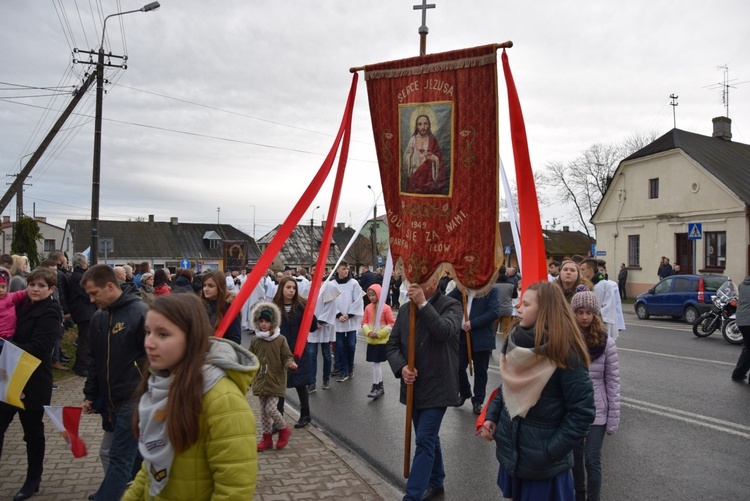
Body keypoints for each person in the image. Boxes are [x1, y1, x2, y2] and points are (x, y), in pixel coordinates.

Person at [122, 293, 258, 500]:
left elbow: (235, 489)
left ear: (191, 337)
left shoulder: (223, 400)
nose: (149, 343)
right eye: (148, 332)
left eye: (163, 334)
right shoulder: (159, 386)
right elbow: (151, 467)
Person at [477, 281, 595, 500]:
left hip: (544, 467)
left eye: (526, 304)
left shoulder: (565, 352)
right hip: (514, 454)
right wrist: (492, 416)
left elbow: (582, 412)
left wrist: (549, 452)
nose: (518, 308)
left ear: (545, 311)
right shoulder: (515, 341)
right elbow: (508, 386)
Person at [386, 278, 463, 501]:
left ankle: (412, 497)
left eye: (421, 281)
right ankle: (437, 482)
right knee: (427, 438)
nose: (414, 285)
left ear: (435, 282)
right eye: (412, 281)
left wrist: (423, 305)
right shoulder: (405, 310)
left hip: (438, 387)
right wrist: (402, 368)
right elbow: (392, 346)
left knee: (424, 441)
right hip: (414, 387)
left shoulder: (451, 306)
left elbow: (444, 331)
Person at [81, 264, 148, 501]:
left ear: (110, 286)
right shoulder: (99, 317)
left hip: (135, 397)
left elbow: (154, 358)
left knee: (117, 455)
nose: (91, 300)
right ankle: (141, 490)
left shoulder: (140, 312)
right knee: (134, 455)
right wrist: (91, 394)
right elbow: (94, 361)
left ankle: (107, 496)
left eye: (94, 293)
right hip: (111, 399)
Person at [0, 268, 62, 501]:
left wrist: (5, 346)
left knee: (32, 433)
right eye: (32, 284)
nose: (35, 289)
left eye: (41, 286)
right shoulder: (20, 303)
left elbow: (40, 347)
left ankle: (32, 480)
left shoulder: (51, 311)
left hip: (34, 380)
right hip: (8, 376)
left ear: (51, 289)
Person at [570, 289, 620, 501]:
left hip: (597, 410)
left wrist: (613, 419)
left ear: (595, 314)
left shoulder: (606, 342)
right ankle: (579, 495)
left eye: (588, 312)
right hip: (572, 409)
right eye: (579, 312)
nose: (584, 317)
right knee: (575, 458)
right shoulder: (567, 340)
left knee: (592, 459)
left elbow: (613, 381)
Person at [250, 301, 296, 451]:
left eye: (267, 321)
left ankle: (284, 430)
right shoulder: (256, 340)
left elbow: (287, 356)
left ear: (273, 322)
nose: (263, 324)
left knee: (271, 409)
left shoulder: (280, 339)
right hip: (260, 380)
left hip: (275, 380)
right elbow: (250, 357)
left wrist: (290, 364)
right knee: (263, 412)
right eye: (261, 321)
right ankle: (267, 438)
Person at [273, 276, 318, 428]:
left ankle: (306, 415)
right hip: (279, 351)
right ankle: (277, 420)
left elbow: (312, 327)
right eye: (288, 287)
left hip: (298, 350)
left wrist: (310, 313)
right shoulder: (274, 307)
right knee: (279, 386)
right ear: (281, 289)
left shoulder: (301, 306)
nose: (291, 290)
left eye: (294, 288)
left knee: (300, 383)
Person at [449, 285, 501, 415]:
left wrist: (473, 323)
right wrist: (458, 288)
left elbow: (494, 312)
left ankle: (478, 400)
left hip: (481, 337)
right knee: (458, 366)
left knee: (480, 371)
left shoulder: (490, 290)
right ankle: (465, 391)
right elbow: (447, 299)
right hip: (462, 336)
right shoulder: (462, 290)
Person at [331, 262, 364, 382]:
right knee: (339, 346)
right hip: (338, 320)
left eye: (347, 269)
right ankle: (343, 371)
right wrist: (338, 315)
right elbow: (330, 302)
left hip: (351, 320)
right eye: (343, 269)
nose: (346, 271)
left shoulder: (353, 283)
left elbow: (358, 300)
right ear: (337, 270)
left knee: (350, 345)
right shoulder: (332, 284)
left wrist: (349, 315)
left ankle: (350, 367)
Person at [362, 284, 395, 400]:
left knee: (376, 363)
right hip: (371, 340)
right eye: (369, 295)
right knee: (375, 364)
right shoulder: (367, 308)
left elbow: (391, 323)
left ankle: (376, 386)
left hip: (381, 341)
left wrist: (380, 333)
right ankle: (379, 386)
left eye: (373, 295)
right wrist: (368, 332)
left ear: (379, 295)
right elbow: (364, 322)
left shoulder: (386, 308)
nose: (371, 297)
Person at [402, 114, 448, 195]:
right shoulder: (412, 140)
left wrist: (435, 159)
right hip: (414, 176)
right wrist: (411, 155)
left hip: (428, 178)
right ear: (416, 126)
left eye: (425, 124)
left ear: (429, 125)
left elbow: (439, 157)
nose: (423, 127)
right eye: (420, 124)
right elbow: (406, 156)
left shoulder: (433, 140)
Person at [67, 253, 97, 377]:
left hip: (84, 311)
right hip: (84, 312)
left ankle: (83, 363)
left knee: (85, 338)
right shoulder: (79, 277)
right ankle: (81, 365)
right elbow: (86, 293)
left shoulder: (77, 276)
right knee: (84, 339)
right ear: (83, 264)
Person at [307, 281, 338, 392]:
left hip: (324, 327)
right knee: (311, 355)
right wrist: (312, 321)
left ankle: (326, 379)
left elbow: (331, 306)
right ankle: (311, 382)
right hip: (311, 326)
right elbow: (304, 304)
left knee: (326, 355)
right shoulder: (308, 285)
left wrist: (321, 321)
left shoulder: (329, 286)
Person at [581, 259, 620, 341]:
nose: (581, 272)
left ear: (590, 270)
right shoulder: (585, 285)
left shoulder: (603, 285)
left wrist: (594, 316)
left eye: (583, 269)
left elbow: (607, 306)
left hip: (601, 323)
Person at [200, 270, 241, 345]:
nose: (205, 289)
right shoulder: (201, 306)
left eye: (210, 286)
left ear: (220, 287)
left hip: (221, 353)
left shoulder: (229, 307)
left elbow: (235, 339)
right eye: (204, 285)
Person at [0, 267, 27, 346]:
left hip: (9, 336)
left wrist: (29, 291)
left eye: (3, 287)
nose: (0, 290)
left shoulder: (10, 297)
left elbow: (20, 294)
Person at [731, 275, 750, 382]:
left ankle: (738, 374)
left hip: (742, 320)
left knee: (748, 348)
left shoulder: (742, 285)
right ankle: (738, 374)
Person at [494, 265, 519, 340]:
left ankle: (489, 351)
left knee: (493, 331)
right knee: (506, 331)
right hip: (507, 309)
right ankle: (505, 349)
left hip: (495, 309)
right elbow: (515, 296)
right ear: (505, 272)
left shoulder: (493, 283)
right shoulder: (511, 283)